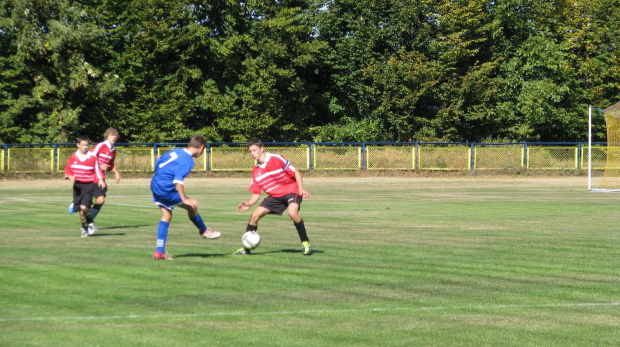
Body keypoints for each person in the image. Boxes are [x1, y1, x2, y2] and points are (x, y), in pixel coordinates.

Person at [236, 138, 312, 255]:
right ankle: (246, 249)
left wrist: (301, 189)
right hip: (275, 196)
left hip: (292, 191)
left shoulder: (276, 158)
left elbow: (296, 172)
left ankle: (305, 242)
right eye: (250, 151)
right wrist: (249, 204)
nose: (252, 153)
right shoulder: (256, 171)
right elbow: (256, 193)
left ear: (262, 148)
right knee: (255, 215)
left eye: (254, 150)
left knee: (292, 213)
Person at [150, 134, 221, 260]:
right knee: (191, 207)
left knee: (166, 215)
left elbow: (158, 161)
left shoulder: (177, 150)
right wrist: (184, 199)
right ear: (202, 147)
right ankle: (204, 231)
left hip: (156, 185)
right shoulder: (188, 160)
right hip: (166, 188)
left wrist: (161, 176)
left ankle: (159, 252)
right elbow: (178, 181)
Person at [69, 127, 122, 234]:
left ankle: (88, 220)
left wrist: (116, 172)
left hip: (100, 178)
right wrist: (99, 165)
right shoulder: (101, 146)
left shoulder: (113, 150)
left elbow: (110, 165)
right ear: (107, 136)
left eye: (116, 135)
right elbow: (90, 156)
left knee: (100, 201)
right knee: (88, 204)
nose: (114, 137)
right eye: (112, 135)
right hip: (91, 178)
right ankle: (82, 212)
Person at [65, 135, 106, 237]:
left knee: (84, 207)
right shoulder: (73, 157)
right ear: (78, 145)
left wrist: (100, 179)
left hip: (88, 185)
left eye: (86, 145)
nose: (85, 147)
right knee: (81, 211)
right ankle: (84, 228)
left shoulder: (92, 157)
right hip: (78, 187)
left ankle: (90, 221)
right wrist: (70, 177)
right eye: (83, 145)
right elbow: (68, 170)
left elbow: (97, 169)